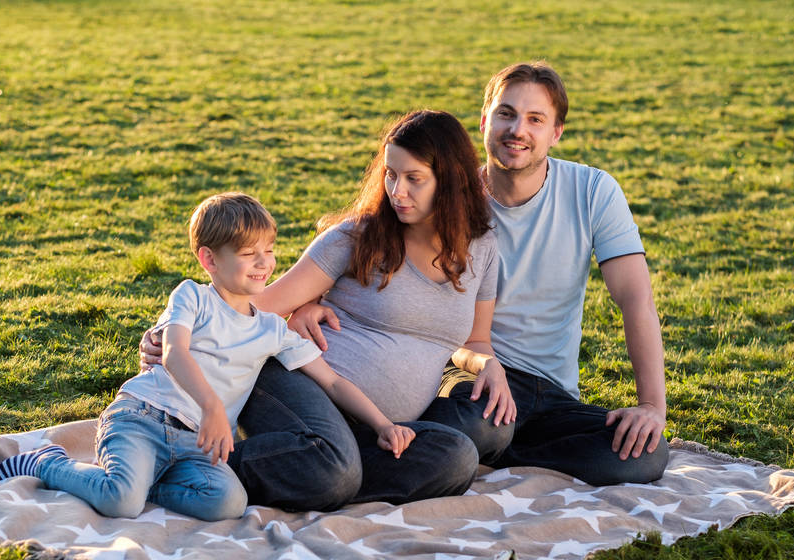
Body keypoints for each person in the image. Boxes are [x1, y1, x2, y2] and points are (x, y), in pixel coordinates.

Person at [294, 62, 670, 486]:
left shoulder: (593, 192)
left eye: (535, 119)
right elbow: (362, 241)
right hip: (463, 376)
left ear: (556, 132)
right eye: (506, 114)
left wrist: (652, 406)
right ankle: (457, 453)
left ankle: (476, 460)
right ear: (484, 120)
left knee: (645, 454)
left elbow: (635, 299)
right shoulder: (444, 195)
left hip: (550, 390)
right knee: (485, 425)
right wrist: (307, 301)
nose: (518, 130)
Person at [140, 110, 517, 511]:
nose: (397, 191)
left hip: (374, 420)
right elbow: (252, 304)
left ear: (452, 182)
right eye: (390, 174)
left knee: (464, 450)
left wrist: (486, 365)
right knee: (336, 470)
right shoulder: (359, 236)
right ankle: (194, 466)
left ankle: (325, 463)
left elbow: (474, 339)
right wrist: (169, 333)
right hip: (298, 378)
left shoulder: (483, 249)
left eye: (414, 178)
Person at [0, 192, 416, 521]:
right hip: (144, 417)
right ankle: (49, 464)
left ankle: (147, 483)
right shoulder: (192, 297)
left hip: (196, 445)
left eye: (269, 250)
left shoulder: (272, 330)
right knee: (120, 501)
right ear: (209, 259)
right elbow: (174, 352)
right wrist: (213, 407)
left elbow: (333, 381)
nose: (264, 263)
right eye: (249, 254)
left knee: (227, 503)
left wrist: (382, 423)